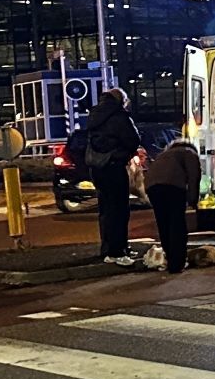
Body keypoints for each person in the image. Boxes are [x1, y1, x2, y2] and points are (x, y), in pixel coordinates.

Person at [78, 87, 142, 265]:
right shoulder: (119, 116)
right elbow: (133, 140)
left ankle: (107, 249)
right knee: (119, 209)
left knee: (106, 209)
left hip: (98, 168)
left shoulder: (94, 115)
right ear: (121, 100)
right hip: (114, 166)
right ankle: (117, 251)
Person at [143, 132, 203, 274]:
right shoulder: (190, 153)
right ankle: (177, 263)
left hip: (152, 187)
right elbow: (194, 177)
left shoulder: (165, 155)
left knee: (163, 223)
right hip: (173, 186)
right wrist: (193, 200)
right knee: (177, 224)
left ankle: (170, 258)